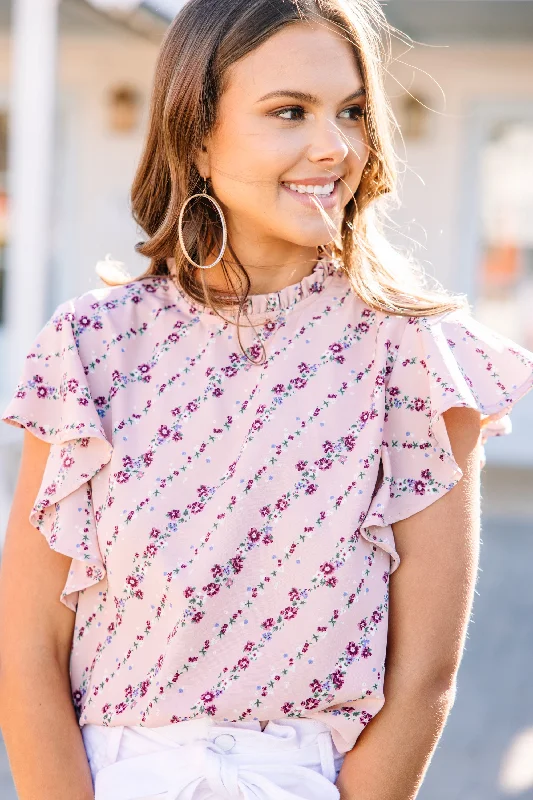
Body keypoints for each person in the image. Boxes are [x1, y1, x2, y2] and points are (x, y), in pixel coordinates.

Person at [0, 0, 532, 798]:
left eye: (351, 112)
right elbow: (27, 648)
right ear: (198, 133)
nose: (334, 146)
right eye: (290, 112)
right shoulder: (91, 347)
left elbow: (425, 673)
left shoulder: (417, 357)